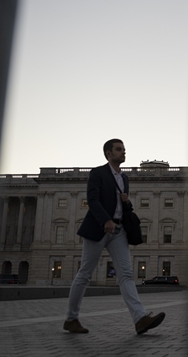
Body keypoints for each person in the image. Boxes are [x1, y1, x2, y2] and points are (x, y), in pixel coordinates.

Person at [63, 139, 165, 334]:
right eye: (119, 149)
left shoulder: (124, 178)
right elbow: (92, 200)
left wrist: (127, 202)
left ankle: (140, 319)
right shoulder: (98, 173)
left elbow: (123, 207)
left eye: (124, 149)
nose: (123, 152)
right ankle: (71, 318)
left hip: (118, 231)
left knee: (126, 274)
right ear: (108, 153)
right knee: (85, 273)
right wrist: (105, 220)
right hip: (99, 228)